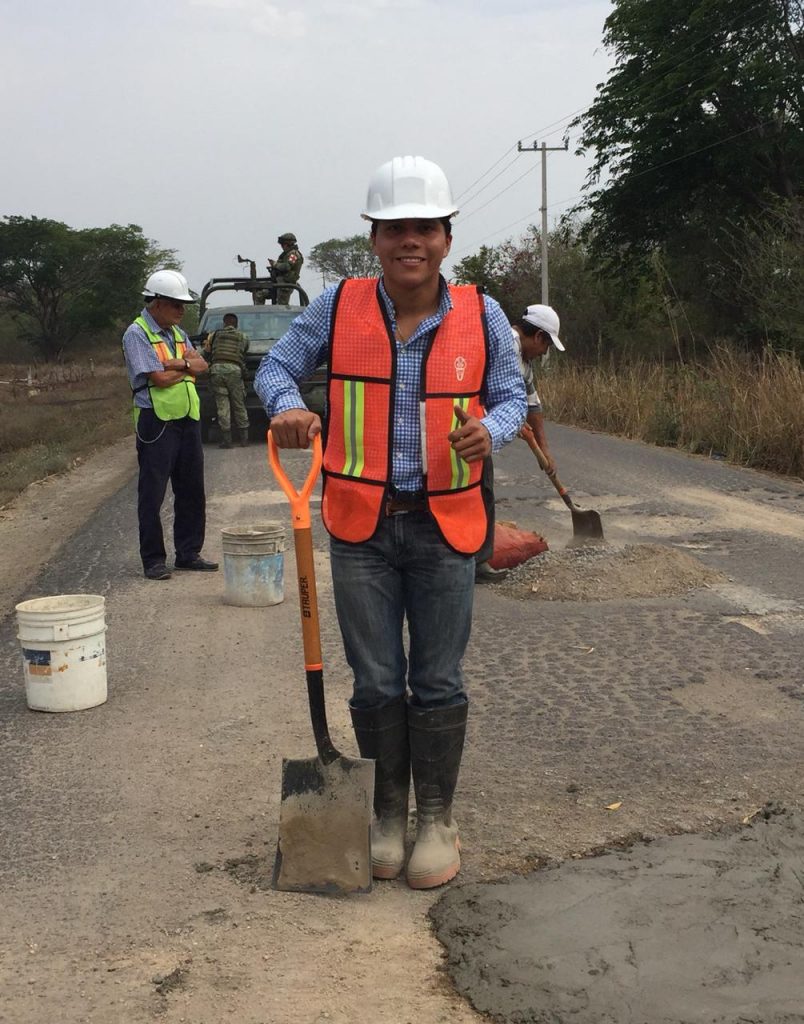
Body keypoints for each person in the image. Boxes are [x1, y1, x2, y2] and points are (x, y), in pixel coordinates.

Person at [255, 155, 526, 889]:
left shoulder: (482, 311)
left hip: (445, 526)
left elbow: (513, 396)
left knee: (437, 679)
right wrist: (286, 405)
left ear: (446, 237)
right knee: (376, 682)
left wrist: (491, 431)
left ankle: (435, 817)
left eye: (426, 228)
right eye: (396, 228)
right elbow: (274, 368)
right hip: (359, 527)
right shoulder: (337, 307)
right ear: (374, 237)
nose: (412, 240)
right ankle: (383, 815)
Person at [121, 269, 219, 581]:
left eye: (183, 305)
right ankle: (153, 560)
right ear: (157, 303)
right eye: (176, 305)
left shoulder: (178, 333)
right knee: (152, 493)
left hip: (187, 420)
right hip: (156, 422)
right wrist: (186, 366)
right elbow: (159, 379)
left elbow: (202, 365)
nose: (182, 310)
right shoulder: (136, 334)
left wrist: (180, 364)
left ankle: (188, 553)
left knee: (191, 490)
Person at [475, 303, 565, 582]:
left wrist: (545, 450)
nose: (544, 353)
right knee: (480, 492)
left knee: (483, 492)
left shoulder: (524, 362)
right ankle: (476, 563)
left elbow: (532, 404)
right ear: (538, 337)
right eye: (546, 346)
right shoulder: (508, 345)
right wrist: (509, 418)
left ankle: (476, 559)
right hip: (473, 427)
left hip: (482, 431)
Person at [202, 312, 250, 448]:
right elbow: (244, 351)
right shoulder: (243, 336)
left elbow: (206, 352)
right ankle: (244, 439)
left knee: (222, 405)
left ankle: (227, 440)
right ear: (236, 324)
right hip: (235, 371)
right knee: (239, 404)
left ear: (224, 323)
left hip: (217, 371)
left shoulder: (214, 335)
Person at [267, 232, 304, 304]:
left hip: (285, 285)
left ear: (287, 244)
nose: (282, 247)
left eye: (283, 245)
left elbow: (287, 267)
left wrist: (275, 264)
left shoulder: (293, 255)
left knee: (282, 306)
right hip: (279, 283)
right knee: (261, 294)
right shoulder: (287, 254)